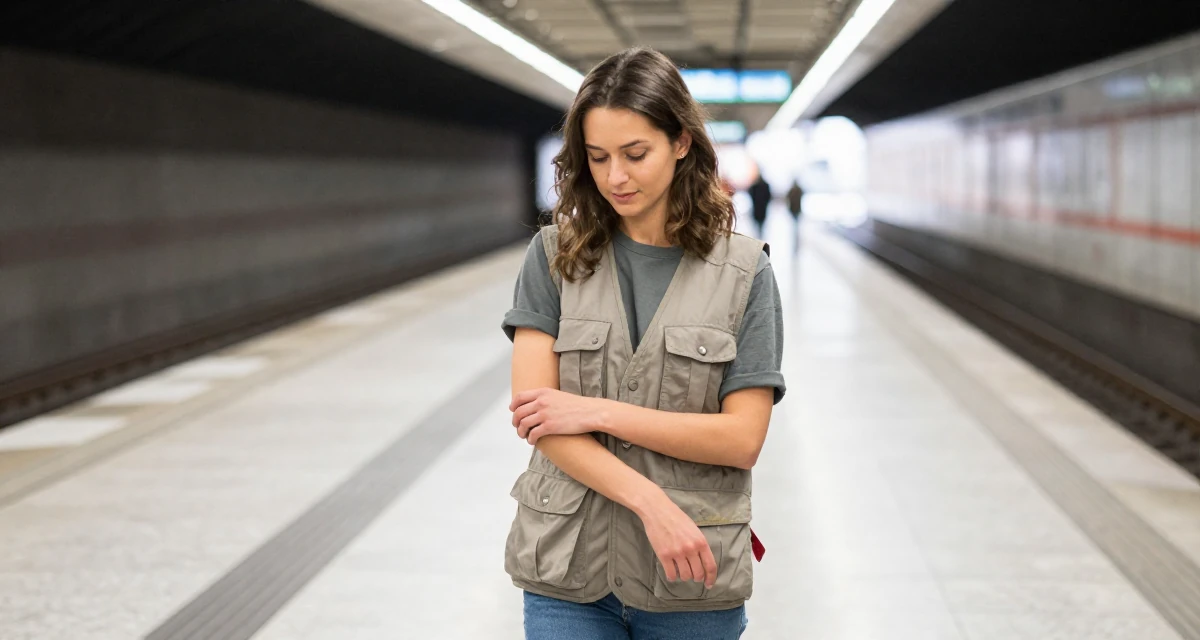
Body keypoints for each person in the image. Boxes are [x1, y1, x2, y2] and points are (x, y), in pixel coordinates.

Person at [501, 46, 786, 640]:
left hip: (690, 577)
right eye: (598, 157)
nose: (615, 178)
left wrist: (595, 411)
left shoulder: (743, 272)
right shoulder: (554, 256)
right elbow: (538, 417)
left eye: (636, 154)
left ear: (681, 142)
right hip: (568, 570)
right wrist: (650, 502)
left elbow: (740, 439)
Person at [746, 167, 771, 238]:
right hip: (762, 208)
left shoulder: (755, 186)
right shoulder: (765, 185)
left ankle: (759, 237)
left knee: (757, 225)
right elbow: (768, 196)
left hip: (757, 208)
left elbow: (750, 193)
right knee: (760, 225)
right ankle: (760, 236)